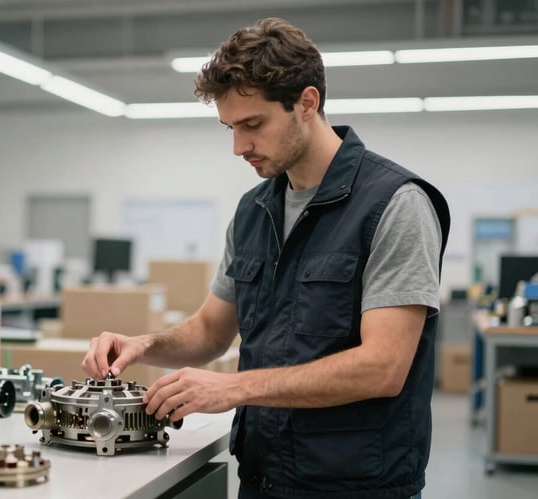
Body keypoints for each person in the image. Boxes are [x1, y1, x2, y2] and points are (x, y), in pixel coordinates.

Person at [82, 17, 450, 499]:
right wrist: (142, 345)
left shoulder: (394, 205)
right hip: (262, 479)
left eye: (253, 125)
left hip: (356, 487)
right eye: (230, 128)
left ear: (307, 103)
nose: (239, 147)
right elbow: (211, 331)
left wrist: (234, 389)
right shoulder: (254, 211)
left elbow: (383, 367)